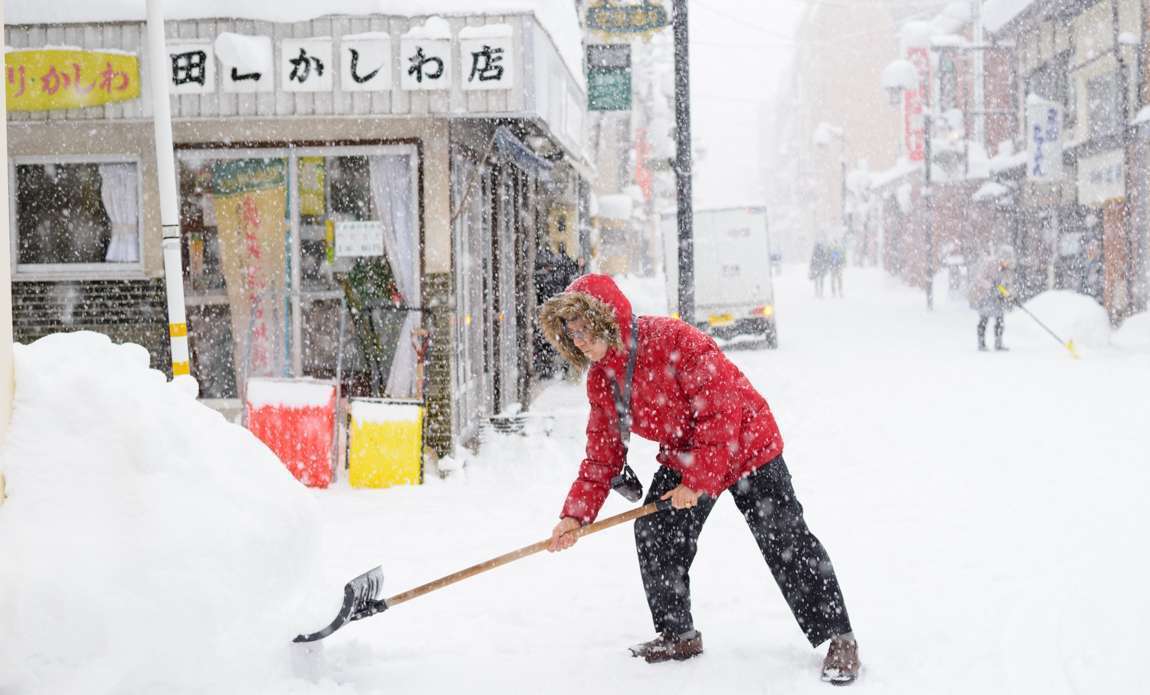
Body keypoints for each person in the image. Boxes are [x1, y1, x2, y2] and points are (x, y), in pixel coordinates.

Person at [539, 274, 860, 685]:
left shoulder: (674, 340)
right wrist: (575, 517)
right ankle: (678, 634)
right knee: (655, 530)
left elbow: (721, 412)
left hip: (746, 444)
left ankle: (840, 636)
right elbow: (602, 455)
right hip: (687, 451)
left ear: (607, 319)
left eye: (583, 328)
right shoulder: (603, 378)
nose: (579, 340)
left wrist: (697, 481)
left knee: (784, 537)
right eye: (571, 333)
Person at [968, 245, 1015, 352]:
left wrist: (1009, 295)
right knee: (984, 319)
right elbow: (979, 278)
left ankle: (998, 343)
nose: (1006, 263)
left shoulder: (1007, 269)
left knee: (1000, 319)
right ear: (1000, 257)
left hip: (997, 298)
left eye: (1008, 261)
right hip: (985, 296)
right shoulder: (990, 263)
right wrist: (990, 285)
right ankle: (981, 344)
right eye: (1005, 260)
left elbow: (1005, 285)